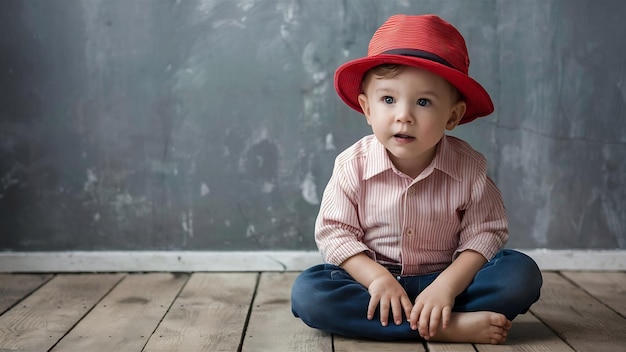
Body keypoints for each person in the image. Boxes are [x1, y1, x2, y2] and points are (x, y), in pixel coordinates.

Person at [291, 14, 542, 345]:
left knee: (520, 276)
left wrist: (446, 286)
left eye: (423, 102)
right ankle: (447, 327)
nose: (403, 115)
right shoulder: (353, 165)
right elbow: (335, 233)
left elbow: (486, 233)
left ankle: (430, 314)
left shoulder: (469, 168)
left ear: (452, 115)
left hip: (446, 279)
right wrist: (377, 279)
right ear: (367, 109)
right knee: (310, 294)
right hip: (372, 283)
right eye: (388, 100)